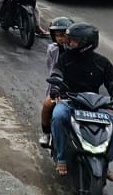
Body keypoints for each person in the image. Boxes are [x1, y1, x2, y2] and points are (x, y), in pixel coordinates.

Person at [49, 23, 113, 181]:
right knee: (58, 117)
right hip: (70, 101)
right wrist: (56, 88)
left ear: (85, 43)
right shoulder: (66, 58)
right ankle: (61, 158)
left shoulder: (102, 63)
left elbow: (112, 82)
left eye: (73, 41)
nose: (68, 43)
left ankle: (106, 163)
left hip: (94, 104)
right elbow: (57, 73)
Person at [38, 16, 75, 148]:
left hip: (76, 86)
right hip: (57, 84)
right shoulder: (52, 50)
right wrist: (56, 84)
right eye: (57, 35)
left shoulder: (77, 50)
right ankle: (46, 133)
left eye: (63, 35)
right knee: (47, 105)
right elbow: (51, 68)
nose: (60, 38)